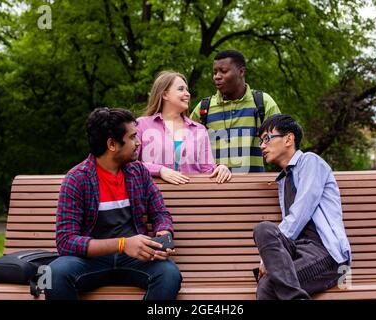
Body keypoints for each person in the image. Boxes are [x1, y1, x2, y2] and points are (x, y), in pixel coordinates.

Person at [45, 107, 182, 300]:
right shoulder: (77, 179)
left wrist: (163, 233)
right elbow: (66, 241)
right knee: (54, 274)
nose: (138, 142)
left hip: (135, 259)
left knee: (169, 275)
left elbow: (160, 213)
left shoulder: (138, 173)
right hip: (91, 261)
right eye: (133, 137)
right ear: (112, 144)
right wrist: (121, 244)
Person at [253, 114, 351, 300]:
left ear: (289, 139)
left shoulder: (310, 162)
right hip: (299, 252)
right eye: (261, 141)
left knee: (268, 286)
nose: (262, 146)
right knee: (263, 229)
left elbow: (300, 214)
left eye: (267, 138)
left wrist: (266, 261)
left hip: (328, 255)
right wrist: (266, 259)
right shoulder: (284, 180)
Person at [190, 49, 280, 173]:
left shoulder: (263, 102)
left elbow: (280, 146)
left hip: (253, 187)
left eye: (223, 71)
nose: (217, 76)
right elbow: (186, 150)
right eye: (215, 72)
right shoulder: (203, 107)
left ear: (241, 72)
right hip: (212, 188)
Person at [137, 71, 232, 185]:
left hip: (190, 197)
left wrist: (220, 168)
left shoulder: (199, 129)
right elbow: (129, 164)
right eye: (181, 89)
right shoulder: (142, 125)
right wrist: (160, 170)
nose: (187, 94)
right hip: (154, 197)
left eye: (187, 90)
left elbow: (207, 169)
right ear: (165, 94)